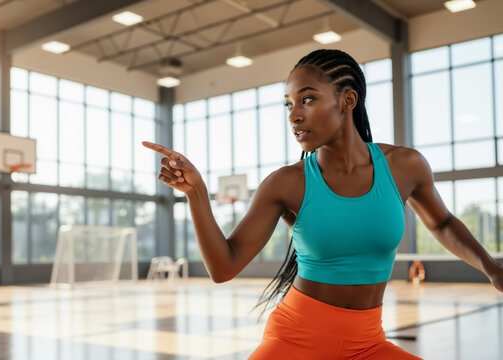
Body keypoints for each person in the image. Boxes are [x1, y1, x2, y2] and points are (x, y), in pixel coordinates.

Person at [142, 48, 503, 359]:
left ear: (347, 100)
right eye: (289, 104)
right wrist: (196, 194)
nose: (293, 115)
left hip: (368, 344)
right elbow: (224, 267)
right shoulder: (287, 183)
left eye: (307, 99)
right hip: (295, 338)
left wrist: (491, 268)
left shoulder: (405, 166)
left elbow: (440, 223)